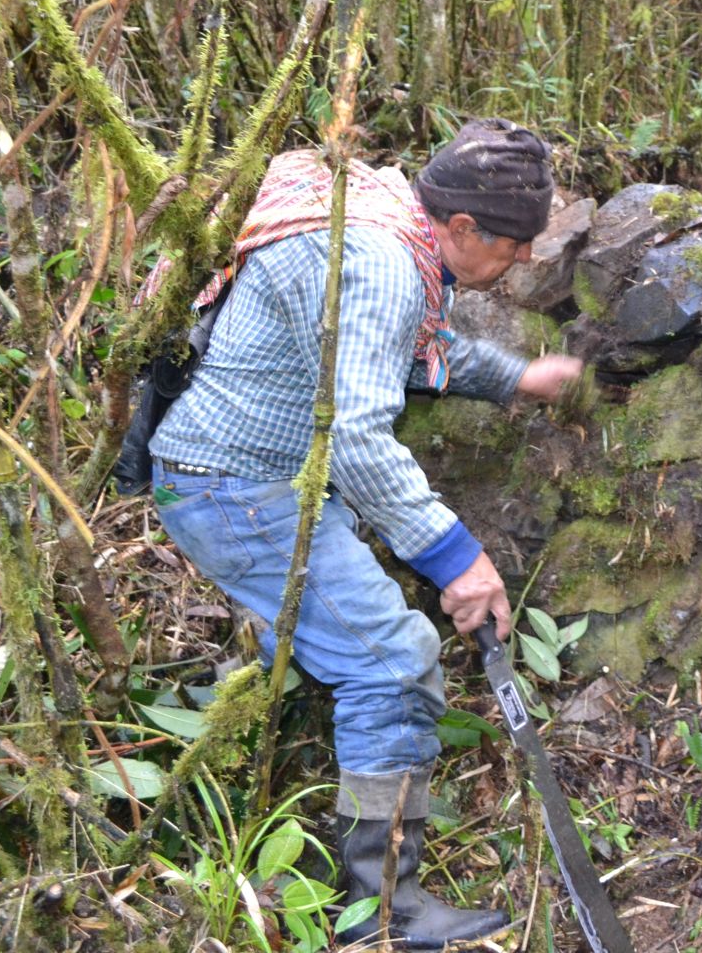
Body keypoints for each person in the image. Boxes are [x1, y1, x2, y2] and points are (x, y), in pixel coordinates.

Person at [149, 119, 583, 948]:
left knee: (363, 652)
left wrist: (516, 377)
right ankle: (382, 911)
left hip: (240, 475)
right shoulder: (384, 263)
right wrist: (458, 560)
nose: (526, 259)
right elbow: (356, 436)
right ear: (459, 228)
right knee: (393, 662)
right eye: (517, 243)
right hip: (237, 488)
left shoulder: (382, 220)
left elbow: (401, 353)